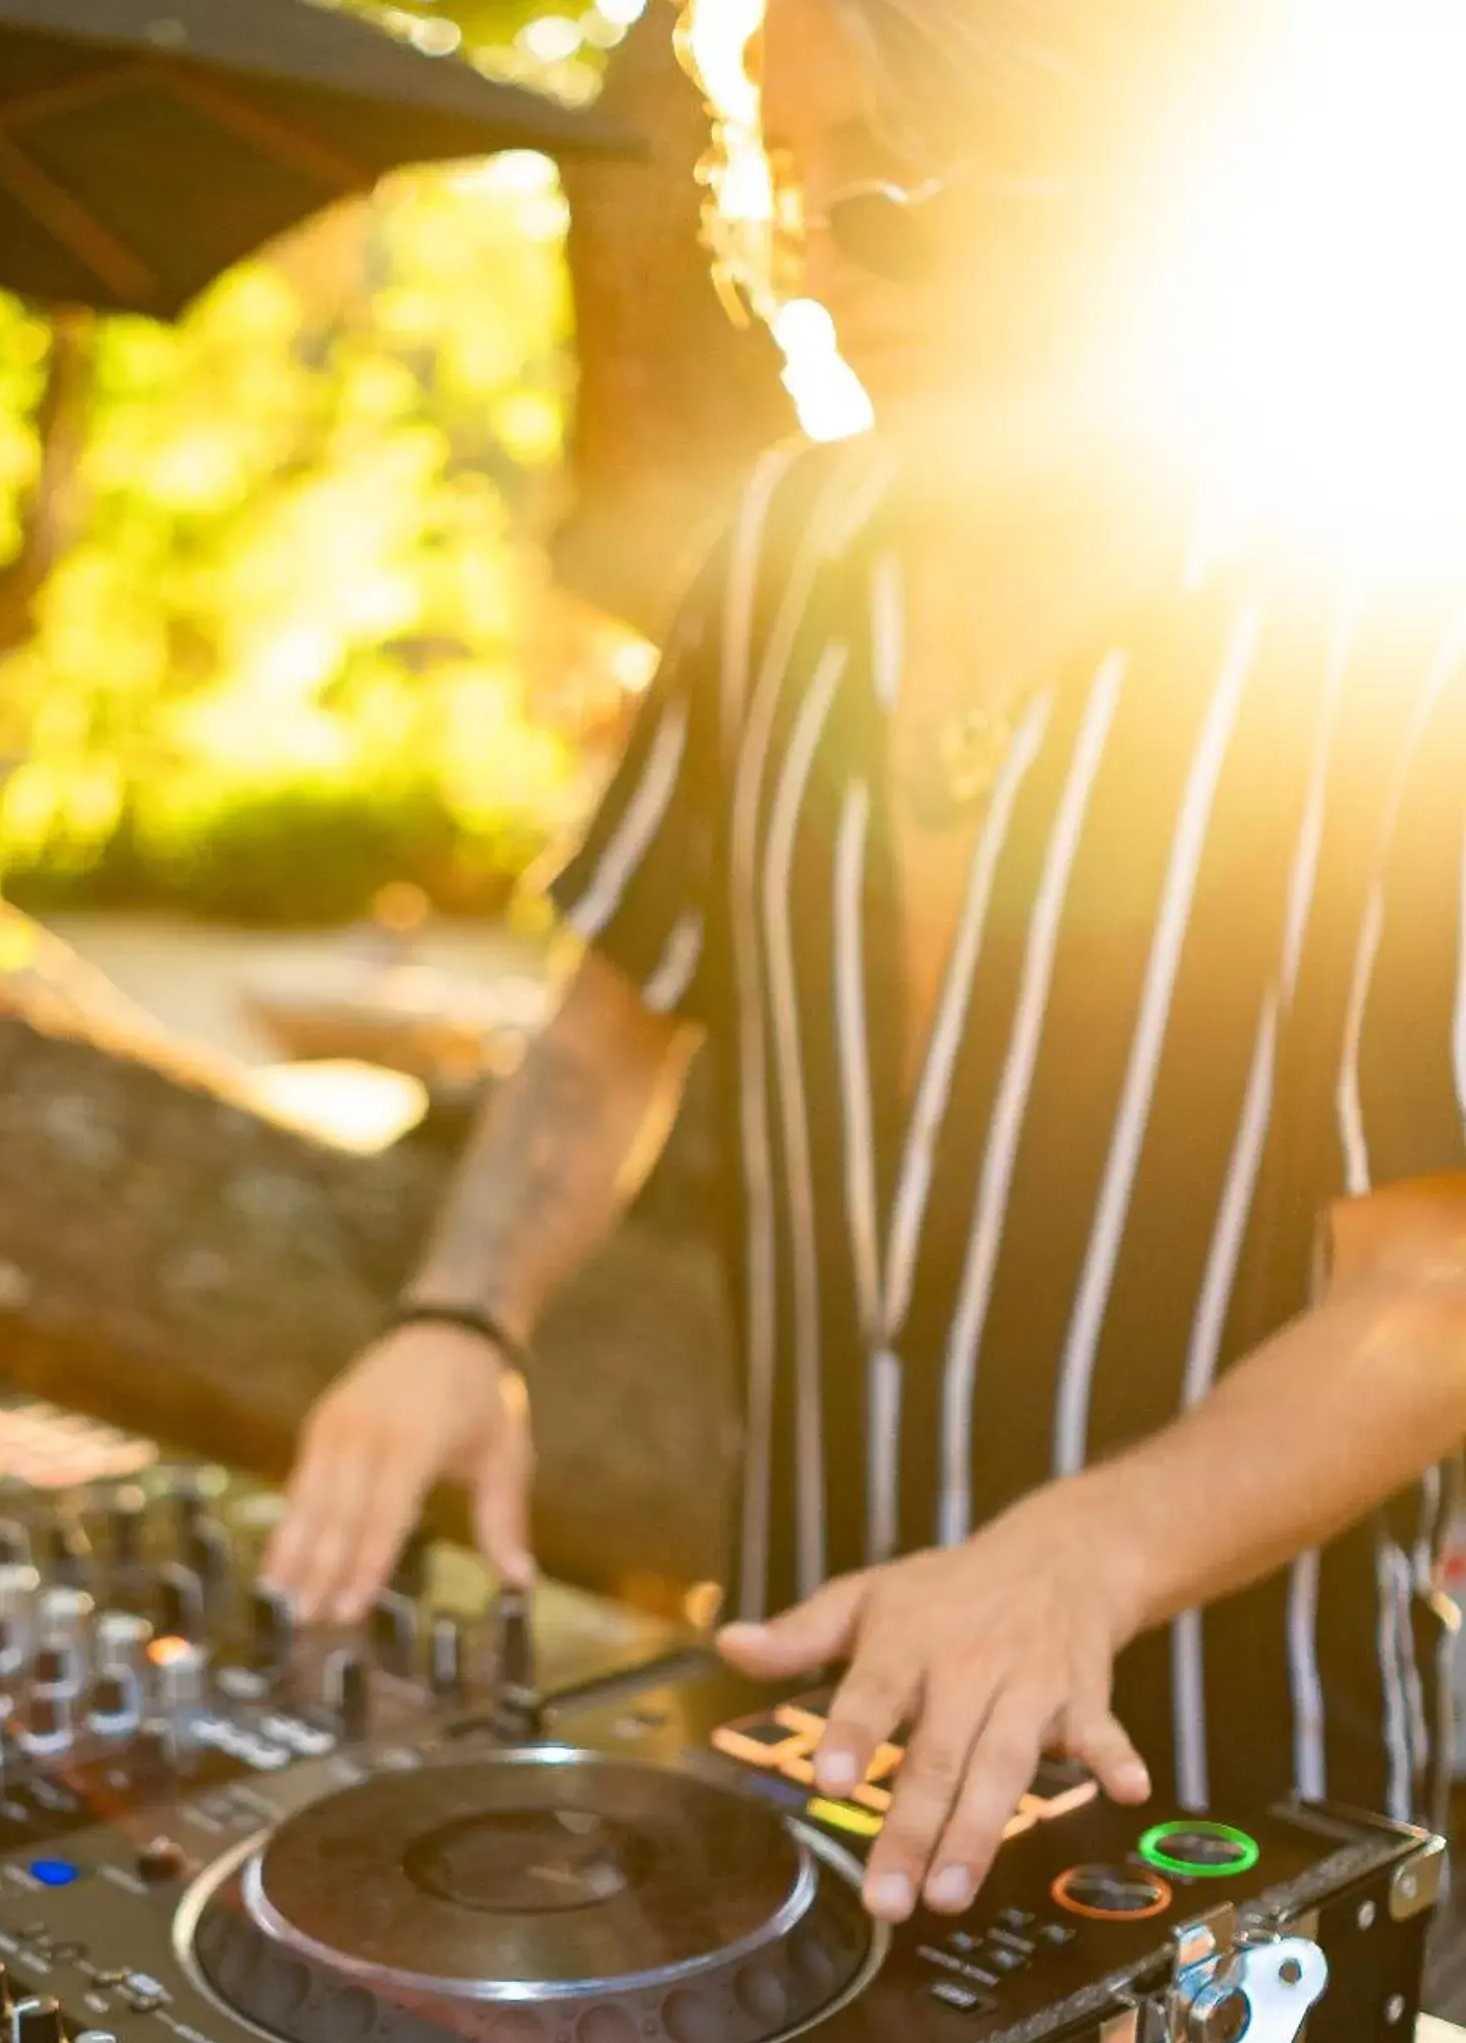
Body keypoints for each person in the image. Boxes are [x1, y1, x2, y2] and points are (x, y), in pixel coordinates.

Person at [266, 0, 1466, 1930]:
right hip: (811, 1734)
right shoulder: (779, 553)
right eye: (798, 197)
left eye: (899, 196)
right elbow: (609, 1020)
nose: (820, 269)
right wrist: (462, 1320)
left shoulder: (1395, 617)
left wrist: (1081, 1554)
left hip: (1239, 1790)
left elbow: (1441, 1285)